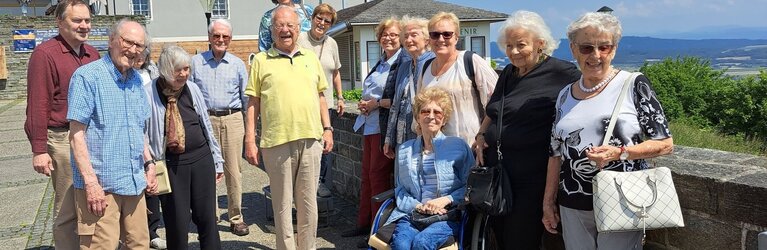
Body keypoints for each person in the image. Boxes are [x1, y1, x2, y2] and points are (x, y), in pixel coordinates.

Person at [542, 12, 674, 250]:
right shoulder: (564, 95)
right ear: (572, 49)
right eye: (586, 48)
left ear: (614, 49)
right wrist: (548, 203)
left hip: (622, 200)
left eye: (604, 47)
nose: (596, 55)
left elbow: (665, 143)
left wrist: (620, 153)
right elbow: (555, 153)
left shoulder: (633, 84)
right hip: (572, 201)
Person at [471, 10, 581, 249]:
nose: (514, 51)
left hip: (531, 176)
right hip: (499, 173)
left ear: (540, 43)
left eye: (521, 45)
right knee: (498, 235)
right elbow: (493, 110)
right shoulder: (509, 73)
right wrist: (480, 136)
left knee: (520, 239)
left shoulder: (563, 73)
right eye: (509, 46)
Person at [244, 6, 334, 250]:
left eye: (290, 26)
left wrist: (328, 129)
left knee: (308, 203)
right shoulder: (261, 61)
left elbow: (321, 97)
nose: (285, 30)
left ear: (298, 29)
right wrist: (250, 140)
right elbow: (253, 103)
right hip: (277, 142)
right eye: (279, 26)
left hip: (311, 139)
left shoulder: (310, 58)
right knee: (282, 204)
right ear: (272, 31)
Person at [67, 18, 157, 249]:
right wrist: (91, 183)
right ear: (112, 40)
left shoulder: (137, 80)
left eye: (139, 45)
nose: (133, 50)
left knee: (140, 245)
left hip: (134, 184)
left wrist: (149, 164)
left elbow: (138, 130)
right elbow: (76, 135)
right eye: (128, 42)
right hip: (101, 188)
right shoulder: (87, 77)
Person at [23, 1, 99, 249]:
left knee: (93, 197)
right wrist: (39, 150)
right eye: (77, 20)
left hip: (92, 138)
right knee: (67, 207)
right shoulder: (45, 55)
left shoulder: (93, 55)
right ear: (59, 21)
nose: (84, 25)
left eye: (87, 20)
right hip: (62, 139)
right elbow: (37, 104)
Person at [145, 45, 225, 250]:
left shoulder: (192, 88)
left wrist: (216, 159)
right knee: (177, 223)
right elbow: (143, 133)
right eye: (178, 70)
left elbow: (205, 124)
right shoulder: (148, 93)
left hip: (201, 160)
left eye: (186, 69)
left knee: (206, 217)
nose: (184, 74)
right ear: (165, 70)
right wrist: (149, 165)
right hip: (171, 166)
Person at [388, 87, 473, 250]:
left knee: (422, 242)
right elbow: (400, 188)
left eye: (437, 112)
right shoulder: (405, 149)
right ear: (418, 117)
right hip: (413, 214)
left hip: (447, 216)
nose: (431, 116)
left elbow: (470, 186)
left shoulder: (458, 146)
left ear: (445, 118)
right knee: (401, 245)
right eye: (425, 111)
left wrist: (446, 199)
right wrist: (417, 205)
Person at [344, 17, 403, 241]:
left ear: (401, 39)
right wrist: (365, 104)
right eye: (384, 34)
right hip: (370, 125)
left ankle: (376, 232)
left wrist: (375, 104)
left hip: (384, 128)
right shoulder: (381, 62)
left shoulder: (402, 63)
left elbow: (399, 98)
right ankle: (364, 223)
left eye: (393, 35)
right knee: (367, 177)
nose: (388, 38)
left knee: (378, 177)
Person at [190, 18, 251, 236]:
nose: (221, 40)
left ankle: (236, 218)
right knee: (207, 171)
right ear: (209, 37)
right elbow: (188, 95)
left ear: (231, 39)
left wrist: (250, 128)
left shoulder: (237, 64)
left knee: (233, 170)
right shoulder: (196, 62)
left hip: (233, 119)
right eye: (216, 36)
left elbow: (246, 98)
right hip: (204, 120)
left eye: (225, 36)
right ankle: (210, 217)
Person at [420, 12, 498, 146]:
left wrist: (482, 136)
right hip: (434, 149)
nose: (440, 39)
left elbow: (495, 103)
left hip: (469, 147)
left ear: (456, 38)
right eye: (435, 34)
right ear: (429, 39)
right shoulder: (425, 68)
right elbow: (419, 108)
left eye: (447, 34)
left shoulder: (471, 61)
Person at [297, 3, 345, 198]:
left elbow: (335, 72)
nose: (322, 23)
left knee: (325, 145)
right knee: (304, 145)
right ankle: (302, 183)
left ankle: (320, 182)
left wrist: (340, 97)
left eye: (327, 21)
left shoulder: (331, 43)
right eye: (319, 18)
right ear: (312, 18)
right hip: (304, 103)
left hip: (326, 104)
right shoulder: (299, 39)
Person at [383, 15, 435, 159]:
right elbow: (395, 106)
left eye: (414, 35)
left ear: (426, 39)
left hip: (423, 135)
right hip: (402, 137)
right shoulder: (404, 67)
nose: (408, 40)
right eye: (405, 36)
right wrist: (389, 139)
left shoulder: (433, 64)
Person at [133, 48, 167, 250]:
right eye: (137, 53)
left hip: (153, 129)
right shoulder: (125, 73)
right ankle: (137, 232)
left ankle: (152, 231)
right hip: (136, 128)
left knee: (155, 183)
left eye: (143, 53)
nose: (140, 57)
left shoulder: (152, 70)